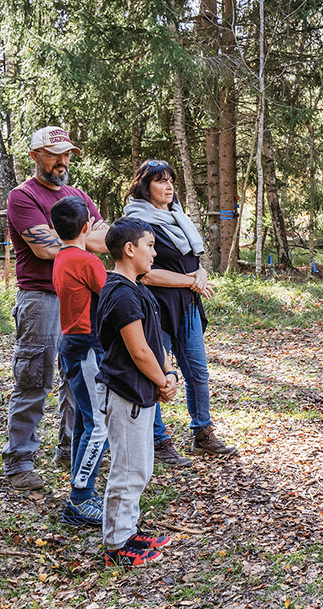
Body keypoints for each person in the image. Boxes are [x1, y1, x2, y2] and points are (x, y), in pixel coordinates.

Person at [3, 126, 107, 491]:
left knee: (79, 375)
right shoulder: (22, 196)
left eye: (67, 154)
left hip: (80, 297)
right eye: (54, 154)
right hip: (41, 297)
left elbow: (108, 238)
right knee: (34, 377)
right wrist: (83, 239)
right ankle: (19, 461)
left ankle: (71, 448)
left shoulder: (77, 195)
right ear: (35, 156)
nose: (62, 161)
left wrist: (70, 238)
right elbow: (45, 249)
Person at [124, 159, 236, 466]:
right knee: (155, 373)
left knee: (198, 372)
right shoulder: (137, 222)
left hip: (187, 305)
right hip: (155, 307)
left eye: (171, 180)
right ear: (145, 187)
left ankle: (203, 433)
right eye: (160, 181)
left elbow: (192, 260)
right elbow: (146, 274)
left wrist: (199, 273)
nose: (169, 186)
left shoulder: (177, 216)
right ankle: (157, 440)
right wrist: (191, 281)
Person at [96, 217, 175, 567]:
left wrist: (168, 373)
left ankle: (128, 530)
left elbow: (154, 344)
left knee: (140, 468)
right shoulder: (120, 293)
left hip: (143, 392)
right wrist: (162, 381)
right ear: (129, 249)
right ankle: (116, 545)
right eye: (150, 246)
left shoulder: (138, 288)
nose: (154, 253)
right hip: (126, 392)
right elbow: (139, 351)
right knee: (127, 471)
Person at [50, 196, 109, 527]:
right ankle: (80, 499)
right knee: (99, 425)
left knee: (87, 422)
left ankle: (83, 489)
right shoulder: (87, 262)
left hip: (72, 345)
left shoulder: (61, 258)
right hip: (87, 347)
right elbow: (111, 295)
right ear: (87, 227)